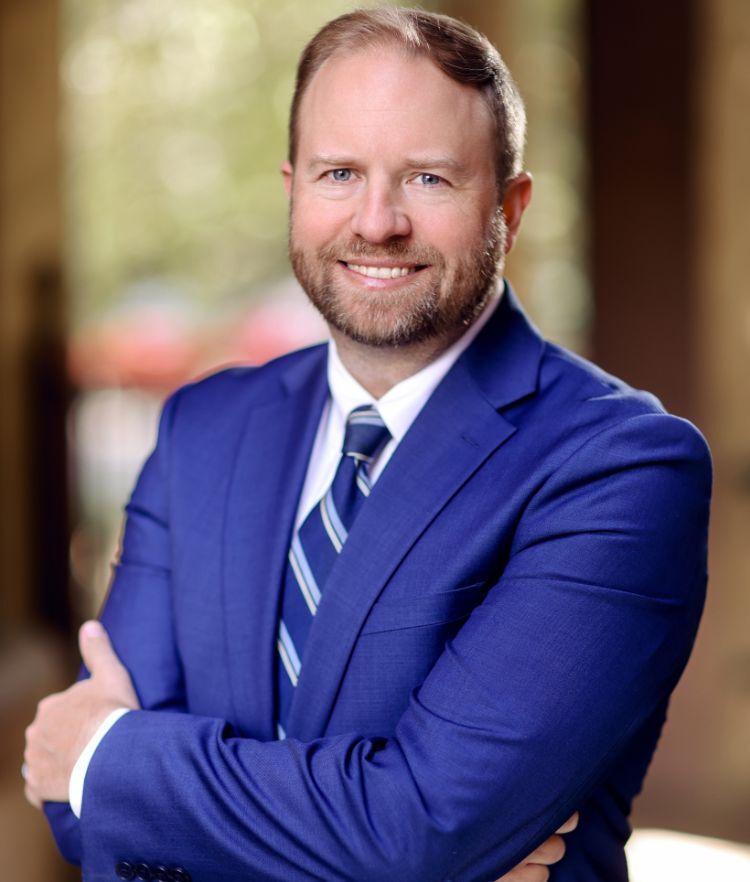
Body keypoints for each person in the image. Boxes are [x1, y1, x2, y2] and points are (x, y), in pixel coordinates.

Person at [24, 8, 711, 881]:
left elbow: (424, 828)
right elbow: (80, 817)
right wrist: (392, 845)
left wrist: (111, 763)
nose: (377, 221)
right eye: (340, 172)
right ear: (293, 190)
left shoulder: (622, 466)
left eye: (428, 178)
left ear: (510, 209)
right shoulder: (202, 428)